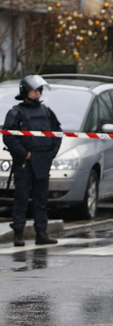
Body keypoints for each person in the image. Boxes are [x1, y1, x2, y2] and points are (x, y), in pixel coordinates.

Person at [3, 75, 61, 247]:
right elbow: (9, 137)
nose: (37, 94)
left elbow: (57, 134)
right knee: (21, 198)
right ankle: (18, 233)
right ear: (25, 91)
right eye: (34, 90)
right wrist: (24, 154)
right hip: (24, 163)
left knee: (41, 199)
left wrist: (51, 154)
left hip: (43, 161)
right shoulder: (16, 112)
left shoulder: (46, 111)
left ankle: (41, 233)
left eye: (39, 91)